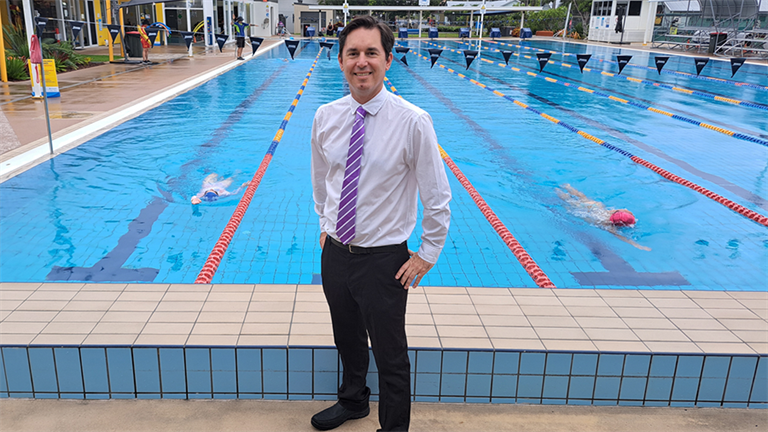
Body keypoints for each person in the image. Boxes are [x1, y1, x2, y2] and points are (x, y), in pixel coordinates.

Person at [310, 16, 451, 432]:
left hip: (384, 260)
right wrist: (325, 224)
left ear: (388, 60)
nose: (362, 62)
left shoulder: (412, 121)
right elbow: (322, 180)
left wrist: (427, 254)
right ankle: (353, 401)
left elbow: (438, 195)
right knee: (347, 338)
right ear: (341, 61)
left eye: (371, 52)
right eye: (353, 53)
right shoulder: (325, 116)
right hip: (336, 253)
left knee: (391, 355)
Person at [556, 183, 650, 251]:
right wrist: (637, 245)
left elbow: (624, 211)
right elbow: (620, 237)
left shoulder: (613, 212)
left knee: (583, 198)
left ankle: (568, 187)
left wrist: (629, 215)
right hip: (588, 212)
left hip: (596, 206)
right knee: (569, 201)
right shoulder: (609, 226)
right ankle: (557, 191)